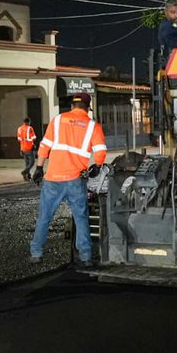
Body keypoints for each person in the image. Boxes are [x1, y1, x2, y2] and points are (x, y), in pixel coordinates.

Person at [29, 91, 107, 267]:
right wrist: (97, 166)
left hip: (53, 178)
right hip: (76, 179)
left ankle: (36, 253)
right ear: (87, 108)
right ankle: (86, 256)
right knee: (80, 217)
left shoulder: (57, 120)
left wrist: (39, 168)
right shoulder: (92, 126)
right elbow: (100, 151)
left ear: (72, 106)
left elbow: (44, 146)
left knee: (44, 217)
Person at [17, 117, 37, 181]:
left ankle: (27, 177)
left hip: (22, 148)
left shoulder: (19, 129)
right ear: (29, 122)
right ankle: (24, 172)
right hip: (29, 148)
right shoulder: (30, 128)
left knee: (27, 163)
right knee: (32, 162)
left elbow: (19, 139)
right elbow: (34, 137)